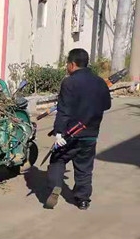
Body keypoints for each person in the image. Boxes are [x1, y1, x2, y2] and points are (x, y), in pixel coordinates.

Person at [45, 48, 111, 211]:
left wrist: (58, 132)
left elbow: (64, 110)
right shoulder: (100, 82)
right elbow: (107, 105)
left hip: (70, 134)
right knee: (84, 167)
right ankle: (83, 200)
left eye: (67, 63)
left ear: (73, 64)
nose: (67, 67)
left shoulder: (69, 82)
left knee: (58, 159)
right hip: (90, 133)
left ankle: (56, 186)